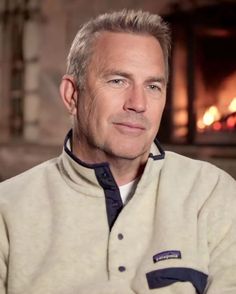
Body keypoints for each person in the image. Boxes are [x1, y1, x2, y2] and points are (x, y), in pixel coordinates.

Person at [0, 9, 235, 294]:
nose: (138, 103)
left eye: (153, 86)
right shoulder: (8, 210)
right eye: (117, 81)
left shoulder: (211, 193)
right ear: (72, 95)